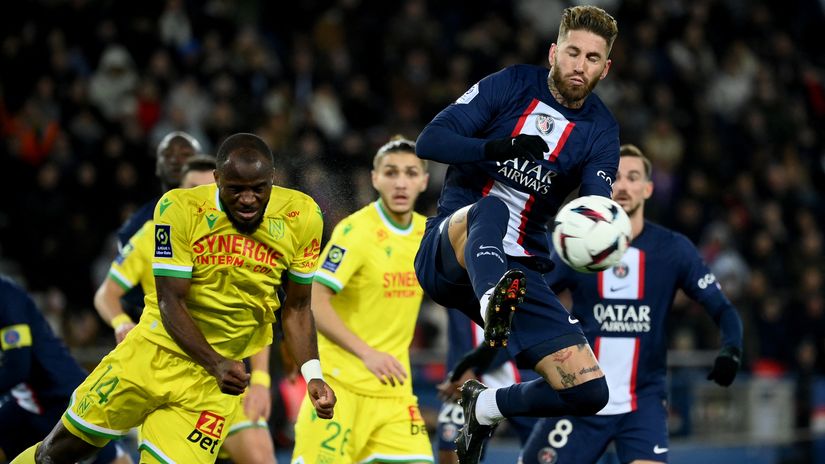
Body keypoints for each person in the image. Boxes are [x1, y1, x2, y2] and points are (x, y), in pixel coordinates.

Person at [11, 133, 336, 464]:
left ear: (272, 180)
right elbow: (170, 302)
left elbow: (296, 307)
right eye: (236, 189)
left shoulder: (302, 217)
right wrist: (215, 362)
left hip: (213, 387)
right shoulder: (179, 209)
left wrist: (313, 375)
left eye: (258, 189)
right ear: (217, 180)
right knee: (55, 455)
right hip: (151, 355)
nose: (249, 199)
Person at [413, 5, 620, 463]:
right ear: (553, 52)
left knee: (589, 391)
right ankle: (492, 304)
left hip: (520, 270)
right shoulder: (508, 85)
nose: (578, 66)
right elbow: (429, 142)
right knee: (489, 208)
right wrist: (497, 147)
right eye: (572, 53)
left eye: (591, 58)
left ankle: (484, 406)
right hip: (451, 249)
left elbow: (593, 209)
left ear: (605, 68)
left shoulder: (601, 131)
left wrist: (601, 230)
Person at [518, 144, 743, 464]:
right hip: (582, 396)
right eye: (615, 177)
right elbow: (531, 299)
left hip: (643, 403)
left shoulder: (674, 249)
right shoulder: (578, 246)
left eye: (633, 177)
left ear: (648, 188)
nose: (622, 185)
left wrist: (731, 349)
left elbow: (722, 308)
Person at [94, 155, 280, 463]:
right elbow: (106, 294)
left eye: (208, 189)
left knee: (261, 456)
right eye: (192, 189)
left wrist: (261, 380)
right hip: (163, 378)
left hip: (225, 382)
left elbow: (258, 318)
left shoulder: (244, 241)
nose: (201, 198)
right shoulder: (153, 235)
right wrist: (120, 322)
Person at [291, 136, 433, 464]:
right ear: (375, 178)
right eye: (391, 172)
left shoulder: (427, 235)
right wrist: (367, 354)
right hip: (340, 390)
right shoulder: (355, 232)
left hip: (395, 395)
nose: (401, 182)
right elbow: (316, 302)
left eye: (411, 173)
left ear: (424, 181)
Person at [0, 275, 130, 464]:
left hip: (59, 395)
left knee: (113, 460)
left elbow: (17, 366)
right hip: (26, 402)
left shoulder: (6, 296)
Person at [114, 131, 203, 320]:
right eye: (167, 154)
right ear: (157, 166)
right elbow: (124, 287)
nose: (175, 160)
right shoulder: (137, 227)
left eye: (185, 154)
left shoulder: (224, 214)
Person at [435, 310, 539, 464]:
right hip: (461, 383)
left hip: (516, 376)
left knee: (543, 450)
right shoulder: (452, 286)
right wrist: (459, 370)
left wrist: (468, 368)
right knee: (451, 446)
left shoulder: (517, 287)